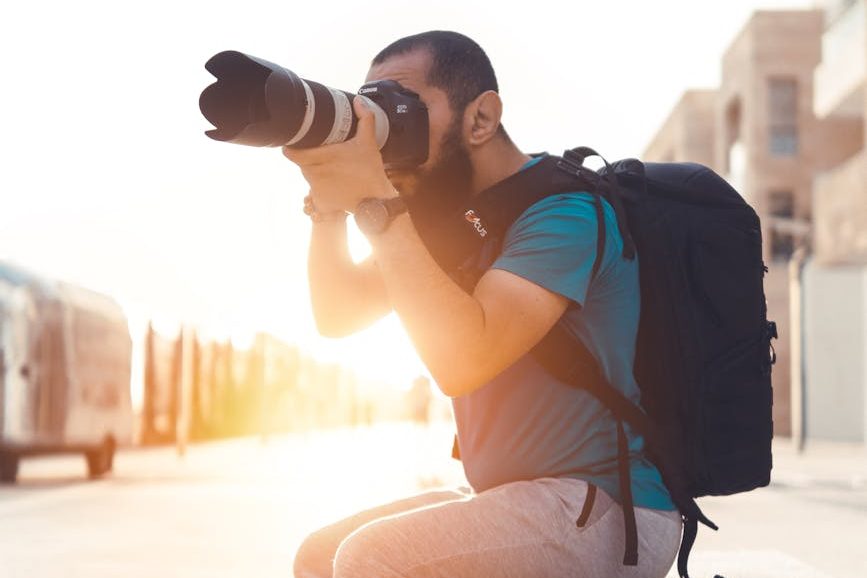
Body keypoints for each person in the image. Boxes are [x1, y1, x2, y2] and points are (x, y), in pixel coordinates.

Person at [284, 30, 682, 578]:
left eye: (402, 109)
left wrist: (375, 199)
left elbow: (463, 361)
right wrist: (327, 209)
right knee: (318, 555)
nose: (385, 133)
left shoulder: (563, 214)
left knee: (371, 560)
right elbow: (338, 315)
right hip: (519, 496)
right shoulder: (446, 221)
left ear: (481, 118)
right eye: (373, 110)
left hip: (609, 510)